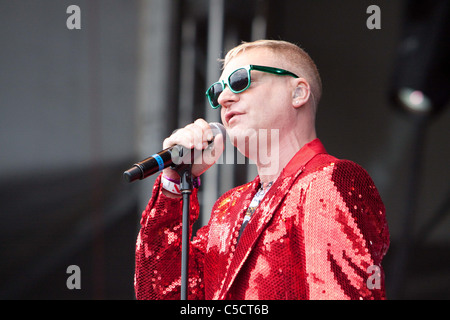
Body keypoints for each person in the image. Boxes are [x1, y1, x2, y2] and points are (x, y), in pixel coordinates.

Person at [134, 39, 390, 300]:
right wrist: (174, 186)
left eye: (240, 80)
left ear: (298, 93)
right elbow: (161, 293)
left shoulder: (329, 179)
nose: (223, 98)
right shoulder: (228, 207)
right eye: (217, 91)